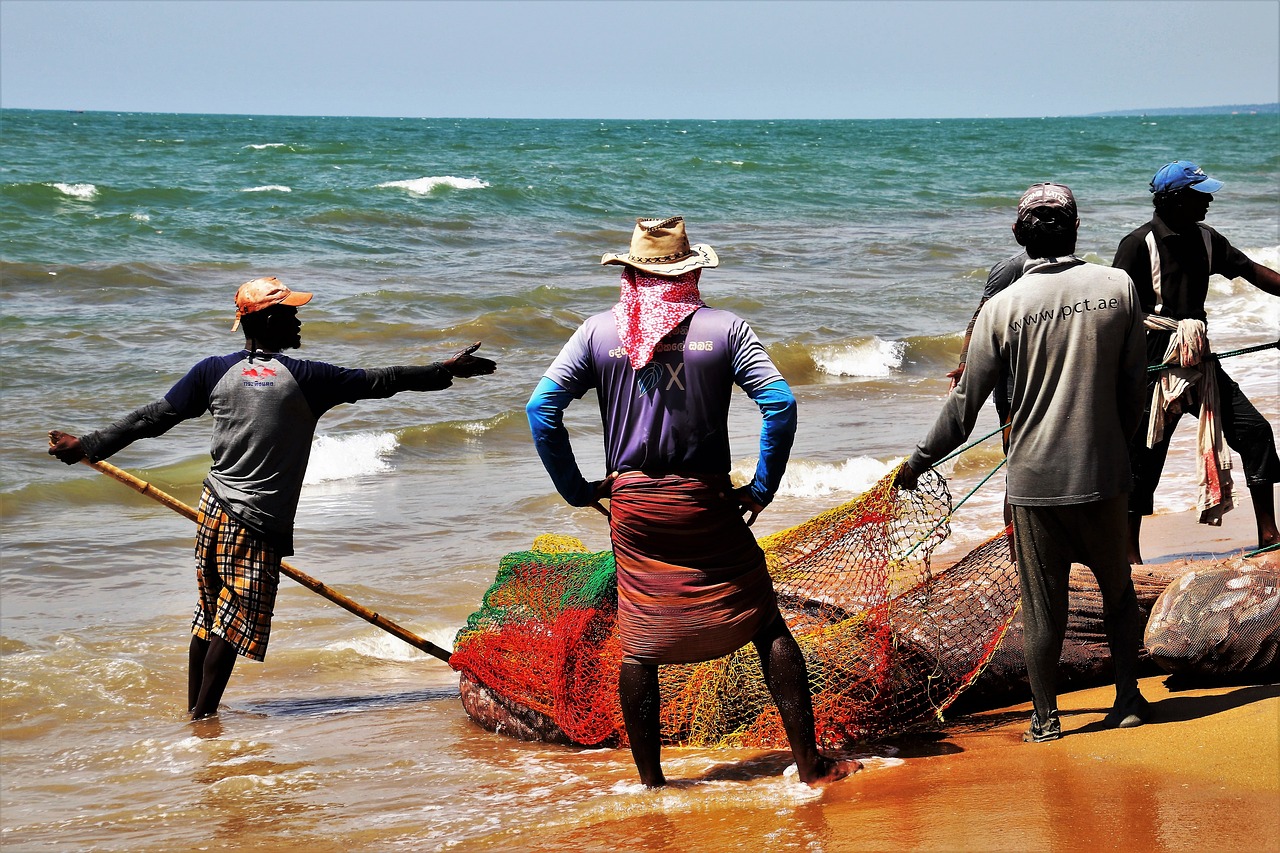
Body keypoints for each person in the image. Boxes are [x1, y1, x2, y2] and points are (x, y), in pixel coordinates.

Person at [47, 276, 496, 720]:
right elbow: (383, 380)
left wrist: (88, 445)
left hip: (213, 508)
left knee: (209, 614)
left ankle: (195, 715)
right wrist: (444, 371)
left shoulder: (211, 371)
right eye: (291, 314)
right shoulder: (308, 377)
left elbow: (154, 418)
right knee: (236, 616)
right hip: (259, 519)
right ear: (266, 320)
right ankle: (204, 721)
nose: (299, 321)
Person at [526, 217, 853, 787]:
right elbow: (780, 404)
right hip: (705, 500)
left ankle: (652, 784)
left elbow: (541, 410)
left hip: (634, 505)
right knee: (764, 620)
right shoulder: (725, 330)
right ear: (692, 271)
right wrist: (762, 488)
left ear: (627, 274)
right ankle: (809, 766)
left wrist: (577, 490)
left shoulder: (597, 333)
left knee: (640, 637)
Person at [895, 184, 1151, 742]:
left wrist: (918, 461)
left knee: (1043, 607)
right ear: (1077, 228)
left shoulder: (1000, 308)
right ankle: (1128, 697)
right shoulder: (1117, 287)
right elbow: (1137, 386)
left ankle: (1045, 718)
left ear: (1018, 235)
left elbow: (963, 410)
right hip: (1105, 473)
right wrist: (1114, 443)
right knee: (1118, 591)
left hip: (1035, 482)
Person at [1112, 160, 1280, 563]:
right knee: (1144, 455)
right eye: (1199, 195)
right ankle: (1129, 554)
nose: (1208, 202)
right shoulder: (1138, 245)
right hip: (1154, 362)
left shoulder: (1207, 239)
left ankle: (1269, 532)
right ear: (1172, 200)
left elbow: (1253, 272)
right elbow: (1112, 311)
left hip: (1200, 360)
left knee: (1254, 431)